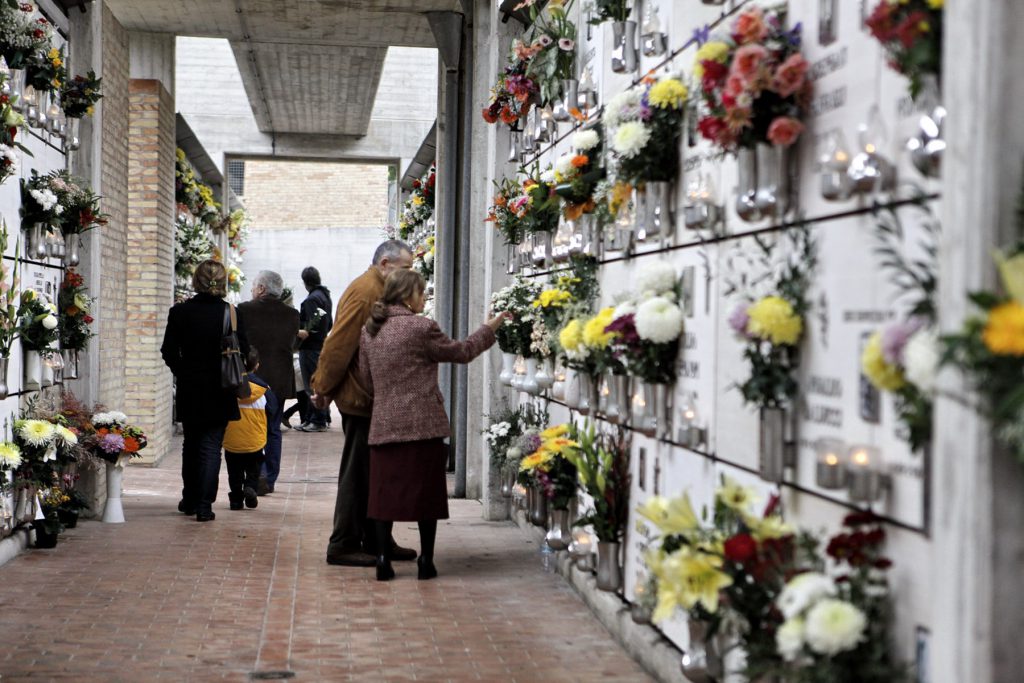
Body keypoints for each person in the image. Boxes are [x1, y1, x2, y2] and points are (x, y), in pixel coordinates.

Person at [359, 270, 506, 580]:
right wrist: (489, 328)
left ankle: (383, 560)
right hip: (423, 425)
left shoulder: (370, 331)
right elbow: (462, 352)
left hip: (384, 424)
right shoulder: (421, 328)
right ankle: (426, 561)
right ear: (407, 295)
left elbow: (366, 380)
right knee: (426, 494)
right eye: (421, 292)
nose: (424, 297)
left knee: (384, 495)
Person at [310, 239, 417, 567]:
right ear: (385, 264)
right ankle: (342, 543)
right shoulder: (365, 291)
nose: (410, 276)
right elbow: (339, 343)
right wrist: (322, 387)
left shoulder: (378, 289)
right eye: (405, 269)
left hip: (373, 396)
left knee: (374, 473)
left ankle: (376, 539)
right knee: (357, 474)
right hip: (361, 397)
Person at [161, 259, 249, 522]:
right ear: (223, 282)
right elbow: (243, 350)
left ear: (195, 281)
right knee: (212, 447)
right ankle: (204, 505)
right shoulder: (231, 313)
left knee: (191, 444)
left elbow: (168, 351)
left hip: (191, 387)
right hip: (222, 388)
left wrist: (183, 371)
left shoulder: (179, 312)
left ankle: (189, 498)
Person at [237, 270, 299, 495]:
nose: (252, 290)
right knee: (273, 430)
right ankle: (268, 477)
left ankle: (250, 477)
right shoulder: (292, 314)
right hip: (279, 381)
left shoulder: (243, 310)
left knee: (248, 427)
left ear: (261, 289)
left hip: (251, 379)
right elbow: (291, 345)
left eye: (253, 286)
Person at [223, 348, 278, 511]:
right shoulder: (263, 390)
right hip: (255, 440)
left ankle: (235, 500)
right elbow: (273, 410)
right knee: (253, 469)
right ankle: (251, 488)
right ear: (257, 366)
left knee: (234, 472)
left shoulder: (228, 387)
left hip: (232, 440)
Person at [295, 266, 333, 432]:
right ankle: (315, 418)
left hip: (310, 347)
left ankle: (317, 420)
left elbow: (312, 325)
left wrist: (302, 332)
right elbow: (328, 322)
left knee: (311, 385)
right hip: (320, 345)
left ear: (305, 282)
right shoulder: (325, 296)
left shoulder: (312, 299)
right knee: (317, 382)